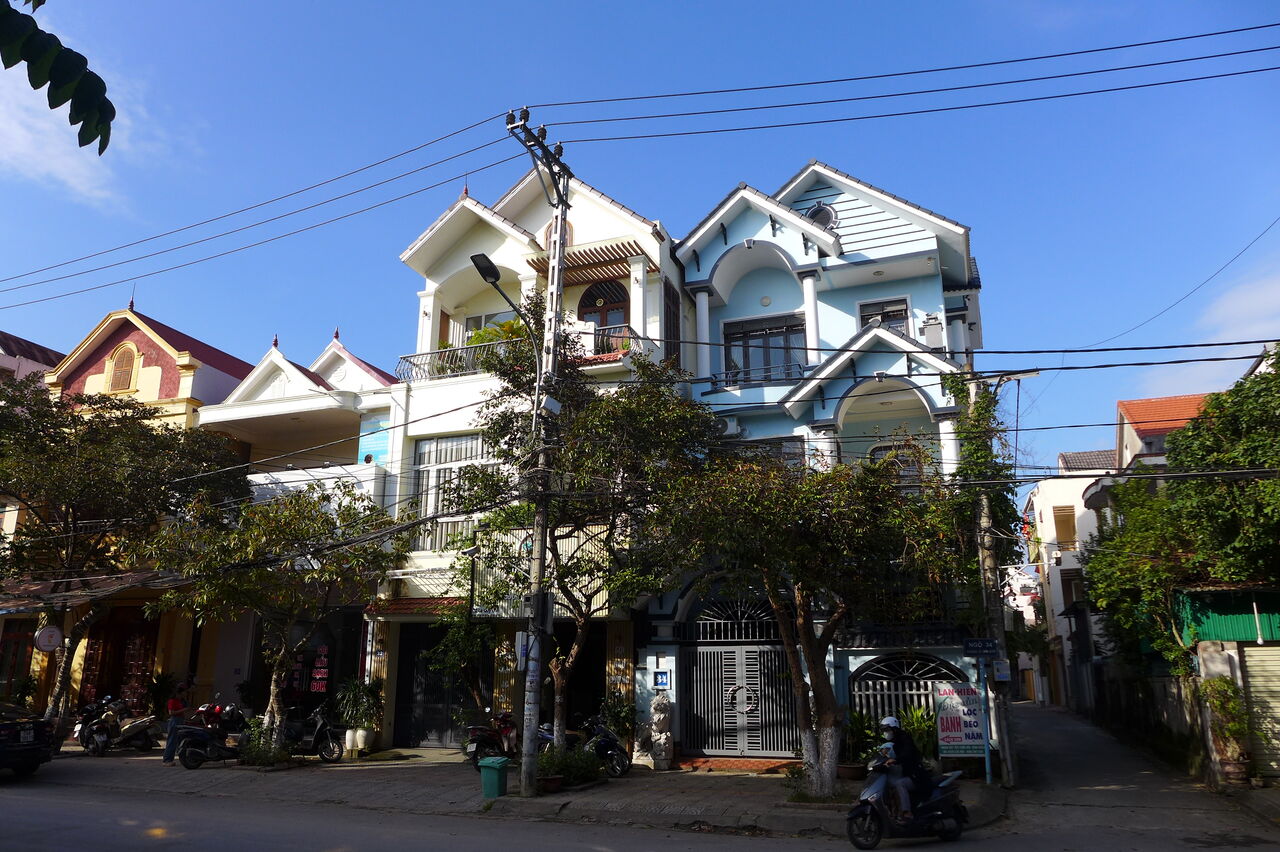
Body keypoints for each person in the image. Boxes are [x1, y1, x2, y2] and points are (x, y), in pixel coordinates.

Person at [880, 715, 923, 822]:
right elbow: (885, 751)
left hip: (916, 775)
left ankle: (907, 813)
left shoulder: (905, 739)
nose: (885, 733)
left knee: (900, 784)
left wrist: (895, 760)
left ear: (894, 729)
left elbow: (907, 754)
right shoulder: (894, 741)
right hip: (906, 773)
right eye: (884, 730)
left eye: (887, 730)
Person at [161, 684, 189, 766]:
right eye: (184, 692)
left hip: (180, 720)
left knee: (180, 740)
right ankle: (167, 760)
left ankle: (183, 759)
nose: (185, 694)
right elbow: (171, 712)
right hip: (175, 721)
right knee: (172, 741)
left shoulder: (182, 701)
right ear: (180, 693)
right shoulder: (172, 701)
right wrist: (183, 710)